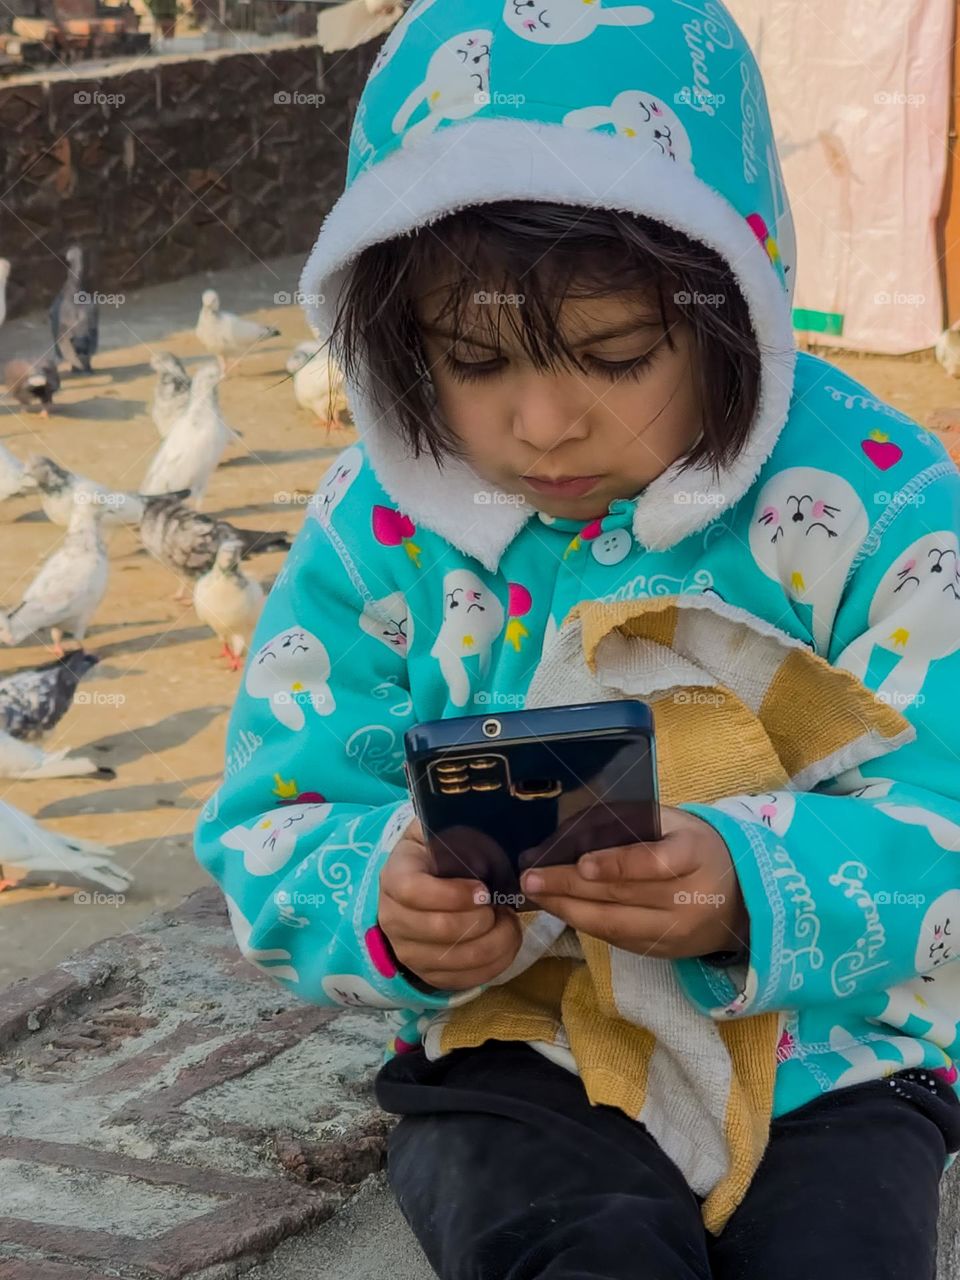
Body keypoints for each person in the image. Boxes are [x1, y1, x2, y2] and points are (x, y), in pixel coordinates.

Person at [194, 1, 960, 1275]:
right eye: (471, 358)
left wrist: (747, 885)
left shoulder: (877, 500)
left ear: (733, 299)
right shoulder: (378, 525)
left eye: (613, 352)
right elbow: (274, 810)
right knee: (570, 1250)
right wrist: (390, 902)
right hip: (515, 1044)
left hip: (828, 1050)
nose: (541, 424)